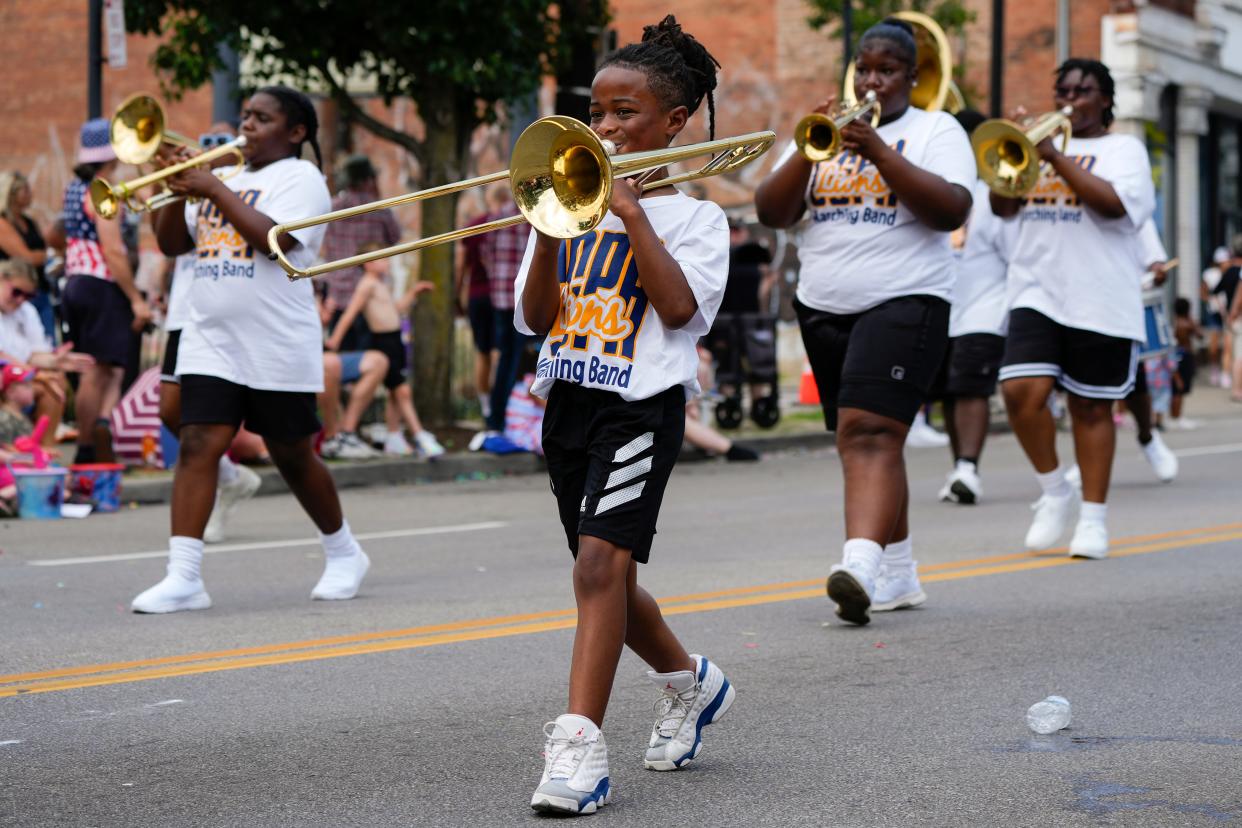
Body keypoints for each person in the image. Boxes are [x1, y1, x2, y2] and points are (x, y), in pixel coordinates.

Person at [516, 16, 736, 814]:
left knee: (597, 569)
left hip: (639, 410)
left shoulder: (696, 220)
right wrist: (548, 230)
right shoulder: (570, 208)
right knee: (607, 576)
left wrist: (633, 213)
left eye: (624, 114)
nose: (604, 128)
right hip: (569, 403)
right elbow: (538, 320)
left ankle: (578, 748)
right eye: (597, 113)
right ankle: (690, 684)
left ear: (673, 123)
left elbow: (679, 310)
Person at [755, 18, 974, 623]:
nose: (872, 80)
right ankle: (899, 572)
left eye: (886, 70)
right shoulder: (820, 136)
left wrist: (878, 150)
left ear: (911, 76)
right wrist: (807, 149)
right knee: (874, 437)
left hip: (907, 299)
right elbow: (771, 212)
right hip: (824, 305)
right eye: (864, 68)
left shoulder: (936, 130)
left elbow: (950, 209)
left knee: (868, 433)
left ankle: (860, 565)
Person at [132, 86, 369, 613]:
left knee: (291, 454)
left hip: (274, 341)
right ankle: (184, 575)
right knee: (197, 443)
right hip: (210, 337)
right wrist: (175, 191)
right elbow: (174, 244)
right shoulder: (227, 176)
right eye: (246, 116)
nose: (248, 127)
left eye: (263, 119)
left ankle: (345, 552)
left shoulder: (301, 179)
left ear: (296, 132)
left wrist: (212, 188)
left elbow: (277, 242)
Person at [992, 59, 1155, 560]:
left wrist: (1053, 157)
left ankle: (1093, 518)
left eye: (1084, 91)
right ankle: (1054, 490)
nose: (1070, 98)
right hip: (1036, 289)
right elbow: (1002, 208)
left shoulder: (1124, 149)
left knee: (1091, 407)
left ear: (1105, 99)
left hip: (1100, 295)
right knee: (1020, 391)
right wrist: (1018, 156)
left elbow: (1112, 206)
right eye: (1063, 89)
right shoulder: (1037, 148)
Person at [157, 124, 263, 543]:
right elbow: (168, 242)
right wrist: (172, 184)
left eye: (222, 142)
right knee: (170, 412)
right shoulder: (193, 191)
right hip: (184, 311)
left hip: (221, 312)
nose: (213, 149)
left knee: (204, 423)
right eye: (206, 143)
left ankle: (215, 494)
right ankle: (231, 477)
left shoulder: (247, 188)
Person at [930, 109, 1015, 504]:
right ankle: (960, 469)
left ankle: (969, 465)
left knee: (970, 388)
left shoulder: (989, 195)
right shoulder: (932, 190)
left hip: (984, 307)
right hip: (941, 304)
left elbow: (1013, 255)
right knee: (948, 391)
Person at [61, 119, 154, 464]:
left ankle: (96, 435)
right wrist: (134, 298)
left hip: (76, 281)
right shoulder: (103, 191)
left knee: (104, 368)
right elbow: (112, 249)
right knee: (102, 371)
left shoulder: (75, 187)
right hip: (101, 284)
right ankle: (90, 443)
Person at [325, 243, 444, 458]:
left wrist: (413, 293)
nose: (387, 262)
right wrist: (335, 339)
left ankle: (394, 435)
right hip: (383, 343)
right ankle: (419, 434)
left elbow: (395, 310)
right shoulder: (367, 285)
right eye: (383, 258)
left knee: (395, 392)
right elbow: (350, 313)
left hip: (394, 341)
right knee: (402, 390)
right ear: (369, 263)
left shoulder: (380, 284)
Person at [0, 259, 93, 447]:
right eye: (17, 292)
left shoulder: (26, 311)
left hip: (17, 378)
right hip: (8, 378)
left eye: (28, 295)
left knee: (55, 382)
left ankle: (43, 452)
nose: (20, 300)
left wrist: (54, 362)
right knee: (48, 381)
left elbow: (34, 354)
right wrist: (36, 373)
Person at [318, 155, 400, 352]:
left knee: (344, 360)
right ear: (368, 180)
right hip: (370, 297)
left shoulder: (331, 207)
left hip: (337, 294)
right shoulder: (379, 210)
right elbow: (395, 238)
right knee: (371, 360)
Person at [472, 184, 532, 450]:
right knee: (519, 361)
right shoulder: (534, 216)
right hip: (523, 298)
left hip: (499, 297)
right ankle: (512, 418)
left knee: (505, 359)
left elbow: (485, 256)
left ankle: (497, 419)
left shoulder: (496, 217)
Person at [0, 171, 55, 340]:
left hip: (39, 289)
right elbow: (27, 257)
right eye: (25, 190)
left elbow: (43, 251)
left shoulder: (29, 221)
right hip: (16, 293)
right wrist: (43, 255)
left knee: (46, 341)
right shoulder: (3, 223)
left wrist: (41, 255)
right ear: (11, 193)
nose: (30, 194)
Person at [455, 193, 495, 418]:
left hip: (477, 295)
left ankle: (486, 404)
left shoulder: (474, 226)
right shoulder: (512, 222)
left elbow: (461, 265)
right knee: (499, 351)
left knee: (483, 352)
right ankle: (499, 402)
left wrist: (456, 296)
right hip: (503, 297)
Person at [1200, 246, 1229, 387]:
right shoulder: (1209, 274)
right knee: (1214, 344)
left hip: (1229, 311)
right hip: (1214, 311)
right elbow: (1203, 293)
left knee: (1228, 344)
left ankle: (1226, 372)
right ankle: (1215, 369)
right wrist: (1212, 300)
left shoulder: (1230, 272)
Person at [1169, 296, 1199, 429]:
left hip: (1176, 355)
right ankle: (1177, 417)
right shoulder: (1186, 324)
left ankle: (1174, 416)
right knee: (1180, 388)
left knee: (1176, 388)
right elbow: (1200, 334)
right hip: (1185, 356)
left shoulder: (1175, 323)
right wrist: (1192, 320)